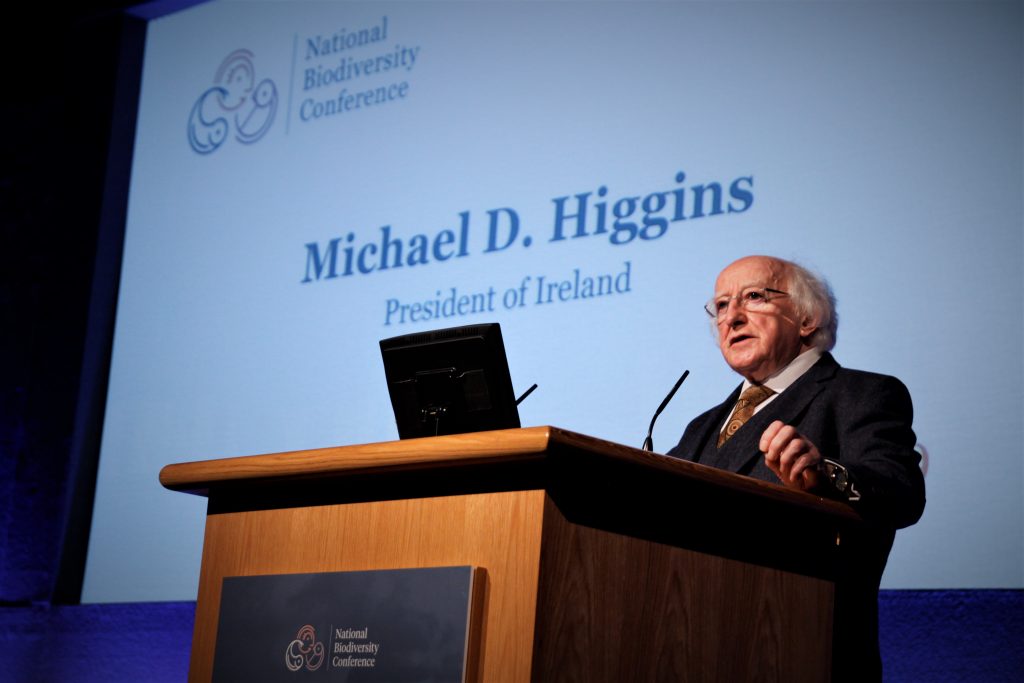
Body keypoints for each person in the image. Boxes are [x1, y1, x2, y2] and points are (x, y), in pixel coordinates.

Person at [667, 255, 926, 681]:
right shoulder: (701, 427)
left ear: (807, 318)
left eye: (753, 296)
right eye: (722, 305)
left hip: (803, 650)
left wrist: (823, 476)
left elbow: (901, 492)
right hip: (692, 650)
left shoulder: (861, 393)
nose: (731, 317)